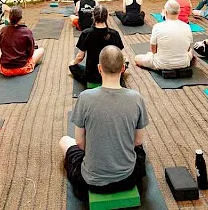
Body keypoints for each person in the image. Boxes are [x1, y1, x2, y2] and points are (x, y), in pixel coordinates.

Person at [60, 46, 148, 201]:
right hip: (128, 178)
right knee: (139, 151)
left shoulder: (85, 97)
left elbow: (80, 143)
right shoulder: (136, 98)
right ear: (123, 68)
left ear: (99, 68)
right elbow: (138, 141)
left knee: (65, 141)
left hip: (91, 181)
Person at [69, 5, 124, 86]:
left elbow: (80, 57)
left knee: (72, 66)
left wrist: (73, 63)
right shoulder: (114, 34)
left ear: (93, 16)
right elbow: (119, 55)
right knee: (125, 62)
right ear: (106, 17)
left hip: (92, 76)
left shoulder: (86, 33)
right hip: (111, 74)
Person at [135, 0, 194, 71]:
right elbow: (187, 49)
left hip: (161, 64)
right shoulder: (187, 27)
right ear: (179, 12)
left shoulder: (158, 26)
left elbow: (153, 50)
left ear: (165, 12)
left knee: (137, 58)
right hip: (183, 63)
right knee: (191, 51)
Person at [0, 6, 44, 76]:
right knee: (41, 50)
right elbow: (30, 54)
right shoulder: (27, 32)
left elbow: (2, 48)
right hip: (22, 68)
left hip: (5, 69)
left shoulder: (3, 30)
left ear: (9, 17)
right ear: (21, 17)